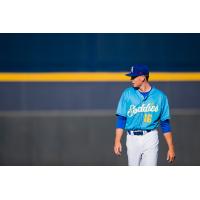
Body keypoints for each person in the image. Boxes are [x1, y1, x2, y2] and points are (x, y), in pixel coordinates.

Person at [114, 64, 175, 166]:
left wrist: (171, 148)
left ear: (143, 77)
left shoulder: (160, 97)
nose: (131, 79)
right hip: (132, 137)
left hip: (150, 136)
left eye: (134, 77)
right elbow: (121, 119)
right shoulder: (127, 94)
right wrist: (117, 140)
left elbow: (165, 124)